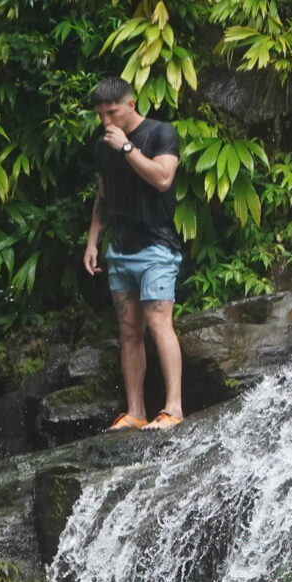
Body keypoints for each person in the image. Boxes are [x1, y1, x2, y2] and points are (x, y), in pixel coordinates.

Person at [81, 76, 186, 432]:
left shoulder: (160, 133)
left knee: (158, 322)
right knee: (128, 331)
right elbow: (103, 196)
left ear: (131, 104)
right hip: (121, 249)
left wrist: (127, 148)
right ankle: (136, 412)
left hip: (157, 247)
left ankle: (173, 409)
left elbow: (163, 178)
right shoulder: (103, 147)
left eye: (112, 112)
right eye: (100, 115)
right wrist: (93, 241)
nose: (106, 121)